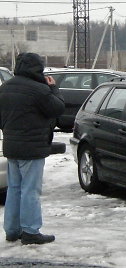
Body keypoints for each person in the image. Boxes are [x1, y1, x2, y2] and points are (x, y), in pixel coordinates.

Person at [0, 53, 65, 244]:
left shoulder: (5, 88)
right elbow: (58, 108)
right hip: (32, 147)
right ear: (38, 68)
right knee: (30, 189)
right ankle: (30, 231)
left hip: (11, 146)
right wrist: (53, 87)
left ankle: (12, 230)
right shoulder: (39, 90)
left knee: (14, 188)